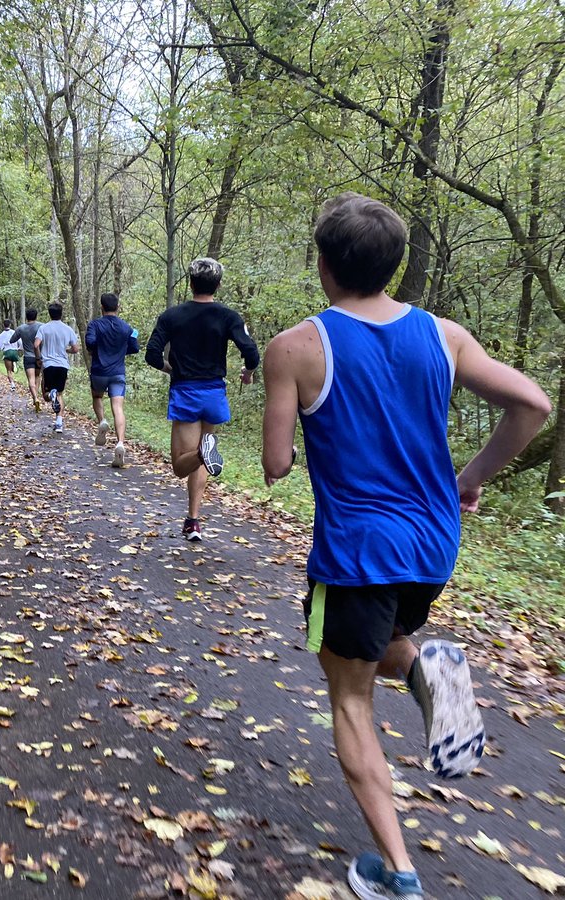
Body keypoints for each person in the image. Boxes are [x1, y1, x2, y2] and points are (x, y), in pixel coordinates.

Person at [261, 193, 551, 900]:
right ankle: (433, 671)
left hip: (357, 551)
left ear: (323, 264)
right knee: (381, 640)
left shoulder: (296, 347)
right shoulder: (444, 335)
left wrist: (299, 445)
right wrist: (468, 480)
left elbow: (273, 465)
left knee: (350, 698)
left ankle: (398, 873)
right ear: (394, 265)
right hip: (432, 544)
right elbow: (534, 405)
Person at [145, 258, 259, 541]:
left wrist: (167, 368)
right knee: (204, 452)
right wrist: (248, 372)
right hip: (214, 394)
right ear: (218, 285)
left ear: (190, 282)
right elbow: (252, 353)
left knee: (181, 465)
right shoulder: (228, 317)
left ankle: (201, 454)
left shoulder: (171, 316)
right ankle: (193, 521)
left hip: (185, 391)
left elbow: (151, 354)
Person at [85, 292, 139, 467]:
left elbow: (90, 343)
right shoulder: (127, 327)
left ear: (101, 307)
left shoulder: (95, 324)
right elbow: (135, 347)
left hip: (99, 371)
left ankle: (102, 421)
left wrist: (100, 348)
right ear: (118, 307)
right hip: (118, 372)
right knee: (118, 407)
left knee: (97, 397)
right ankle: (120, 443)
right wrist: (120, 351)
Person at [34, 302, 81, 434]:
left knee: (46, 395)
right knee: (60, 394)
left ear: (50, 313)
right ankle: (59, 423)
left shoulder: (44, 328)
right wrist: (67, 350)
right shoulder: (68, 329)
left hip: (48, 364)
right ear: (62, 313)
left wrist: (38, 359)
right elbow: (76, 349)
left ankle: (51, 395)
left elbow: (36, 344)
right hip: (63, 365)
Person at [11, 309, 43, 412]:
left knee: (31, 379)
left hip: (28, 357)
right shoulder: (42, 326)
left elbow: (12, 340)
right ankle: (36, 397)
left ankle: (35, 398)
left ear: (26, 317)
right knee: (38, 376)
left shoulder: (21, 328)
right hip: (39, 356)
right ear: (36, 316)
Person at [0, 319, 20, 390]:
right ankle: (14, 364)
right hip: (15, 351)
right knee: (13, 366)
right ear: (10, 324)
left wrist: (2, 348)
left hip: (7, 352)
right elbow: (20, 342)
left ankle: (12, 384)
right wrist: (18, 348)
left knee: (9, 371)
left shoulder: (1, 335)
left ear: (3, 325)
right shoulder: (14, 332)